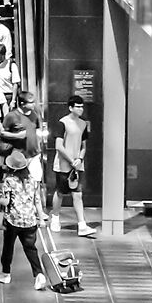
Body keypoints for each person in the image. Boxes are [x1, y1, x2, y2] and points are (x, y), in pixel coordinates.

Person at [0, 134, 51, 290]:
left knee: (8, 248)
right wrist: (41, 219)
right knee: (31, 249)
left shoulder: (9, 181)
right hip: (30, 221)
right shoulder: (32, 181)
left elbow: (5, 202)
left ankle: (6, 274)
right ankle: (39, 275)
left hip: (13, 220)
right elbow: (37, 201)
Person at [52, 96, 93, 235]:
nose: (81, 109)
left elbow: (83, 146)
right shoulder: (62, 123)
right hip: (63, 165)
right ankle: (55, 218)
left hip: (77, 165)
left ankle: (82, 225)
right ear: (71, 108)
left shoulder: (83, 124)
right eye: (78, 106)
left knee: (77, 194)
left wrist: (80, 159)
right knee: (60, 192)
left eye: (82, 106)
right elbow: (59, 146)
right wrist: (71, 160)